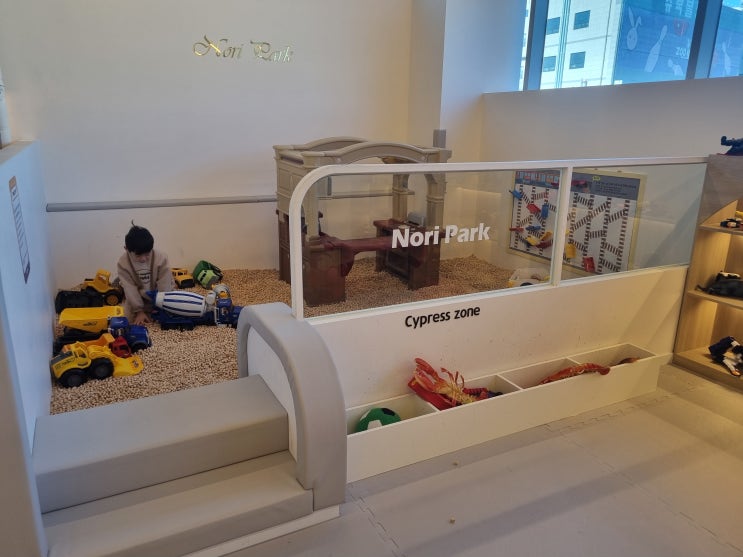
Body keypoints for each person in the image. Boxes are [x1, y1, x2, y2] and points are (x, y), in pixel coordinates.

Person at [117, 222, 174, 325]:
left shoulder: (161, 258)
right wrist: (139, 311)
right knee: (127, 320)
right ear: (126, 249)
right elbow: (130, 288)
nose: (143, 259)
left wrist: (161, 306)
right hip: (138, 299)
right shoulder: (123, 263)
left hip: (160, 296)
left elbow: (165, 284)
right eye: (138, 255)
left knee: (170, 317)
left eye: (147, 254)